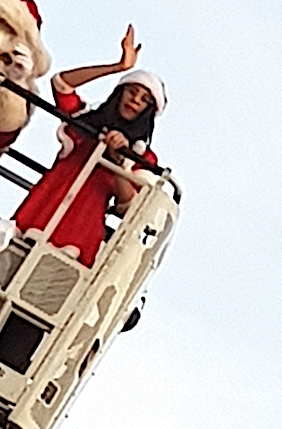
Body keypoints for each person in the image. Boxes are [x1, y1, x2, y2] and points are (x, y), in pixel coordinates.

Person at [13, 25, 167, 268]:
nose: (135, 100)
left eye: (145, 99)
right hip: (45, 204)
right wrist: (117, 68)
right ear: (120, 93)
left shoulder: (142, 156)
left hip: (82, 227)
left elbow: (128, 203)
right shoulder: (84, 121)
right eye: (132, 91)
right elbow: (62, 83)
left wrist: (118, 159)